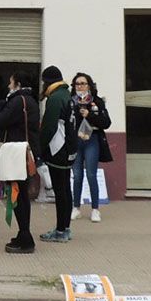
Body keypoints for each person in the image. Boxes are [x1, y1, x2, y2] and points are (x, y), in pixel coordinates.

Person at [0, 71, 41, 254]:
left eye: (10, 82)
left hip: (17, 155)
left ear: (17, 83)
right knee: (22, 195)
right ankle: (23, 233)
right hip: (26, 153)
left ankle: (26, 238)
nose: (8, 86)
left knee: (18, 195)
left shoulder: (18, 101)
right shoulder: (30, 100)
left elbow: (2, 120)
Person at [37, 65, 77, 243]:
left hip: (57, 149)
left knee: (60, 191)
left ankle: (60, 231)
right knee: (66, 190)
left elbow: (49, 127)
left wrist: (39, 148)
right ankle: (65, 228)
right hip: (69, 148)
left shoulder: (54, 99)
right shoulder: (67, 95)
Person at [69, 72, 112, 223]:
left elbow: (106, 122)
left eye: (83, 83)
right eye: (77, 84)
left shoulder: (97, 102)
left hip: (92, 140)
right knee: (77, 175)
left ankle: (95, 209)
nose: (80, 86)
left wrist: (89, 115)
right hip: (76, 141)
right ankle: (76, 208)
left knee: (91, 175)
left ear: (89, 85)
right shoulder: (71, 101)